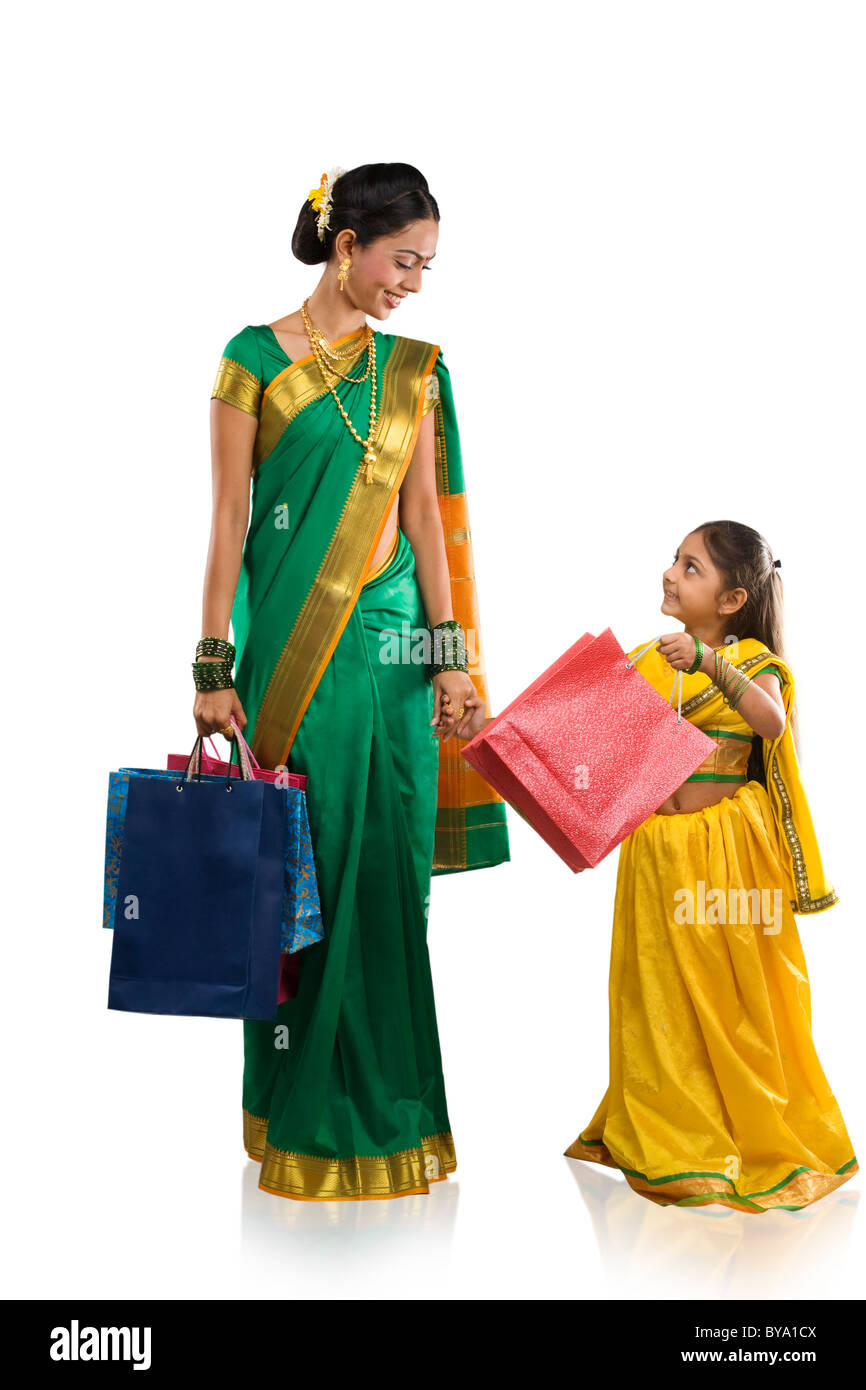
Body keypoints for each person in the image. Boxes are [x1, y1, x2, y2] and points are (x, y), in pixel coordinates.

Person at [194, 162, 509, 1201]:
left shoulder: (412, 369)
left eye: (425, 266)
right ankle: (299, 1113)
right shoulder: (249, 360)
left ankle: (390, 1114)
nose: (411, 283)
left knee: (383, 878)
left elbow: (424, 521)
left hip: (388, 659)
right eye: (402, 260)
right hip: (288, 655)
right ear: (347, 244)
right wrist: (211, 665)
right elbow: (231, 523)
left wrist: (450, 656)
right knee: (301, 875)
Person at [462, 520, 857, 1211]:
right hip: (658, 854)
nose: (672, 574)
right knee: (661, 992)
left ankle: (749, 1128)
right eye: (674, 560)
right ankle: (671, 1124)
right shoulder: (648, 663)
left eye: (692, 568)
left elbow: (771, 723)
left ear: (732, 601)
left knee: (731, 997)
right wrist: (482, 733)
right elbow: (567, 750)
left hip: (729, 854)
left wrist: (710, 666)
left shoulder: (753, 664)